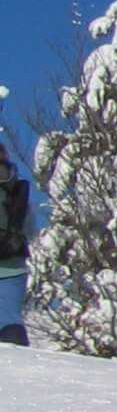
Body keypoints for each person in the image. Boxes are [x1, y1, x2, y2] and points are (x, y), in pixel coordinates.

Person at [0, 132, 31, 349]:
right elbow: (29, 227)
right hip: (13, 265)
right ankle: (19, 374)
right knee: (10, 323)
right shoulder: (16, 191)